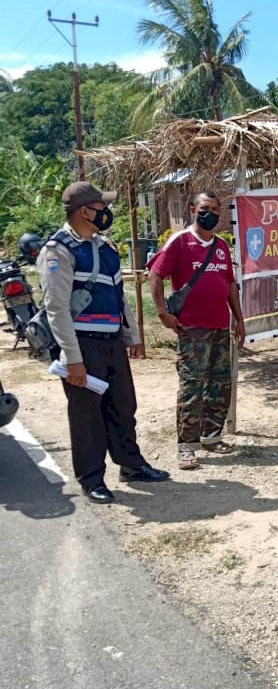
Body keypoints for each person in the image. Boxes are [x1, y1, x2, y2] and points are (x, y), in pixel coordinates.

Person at [37, 181, 169, 504]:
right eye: (101, 207)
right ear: (84, 211)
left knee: (123, 406)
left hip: (111, 343)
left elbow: (117, 295)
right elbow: (55, 308)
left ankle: (131, 464)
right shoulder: (58, 251)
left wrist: (133, 335)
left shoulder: (105, 247)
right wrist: (73, 358)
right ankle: (92, 478)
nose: (106, 212)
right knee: (87, 415)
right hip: (82, 345)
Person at [147, 190, 245, 470]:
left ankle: (211, 437)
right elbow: (155, 275)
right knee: (192, 386)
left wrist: (238, 319)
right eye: (205, 207)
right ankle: (187, 447)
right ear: (193, 209)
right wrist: (162, 313)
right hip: (192, 329)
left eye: (215, 209)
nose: (210, 213)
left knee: (219, 384)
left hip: (218, 327)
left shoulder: (222, 246)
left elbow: (229, 285)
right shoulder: (180, 241)